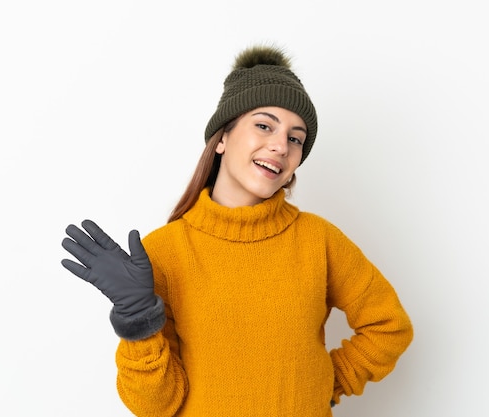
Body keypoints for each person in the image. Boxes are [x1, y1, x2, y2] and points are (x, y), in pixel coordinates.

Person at [61, 45, 413, 417]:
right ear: (223, 138)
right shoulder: (164, 252)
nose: (281, 146)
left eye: (296, 138)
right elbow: (155, 407)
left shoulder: (318, 240)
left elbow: (389, 326)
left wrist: (324, 384)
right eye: (264, 125)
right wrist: (138, 321)